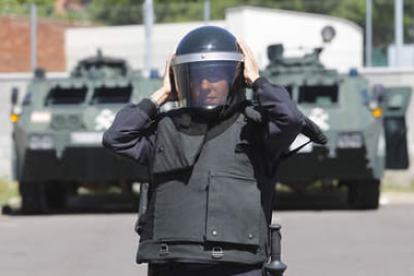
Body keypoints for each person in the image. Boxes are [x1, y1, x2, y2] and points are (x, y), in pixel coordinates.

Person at [103, 26, 305, 276]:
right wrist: (163, 94)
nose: (206, 85)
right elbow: (117, 138)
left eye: (215, 76)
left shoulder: (256, 129)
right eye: (197, 78)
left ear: (236, 78)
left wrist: (257, 81)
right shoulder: (166, 128)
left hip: (239, 267)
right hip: (173, 264)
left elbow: (290, 119)